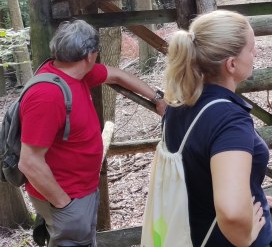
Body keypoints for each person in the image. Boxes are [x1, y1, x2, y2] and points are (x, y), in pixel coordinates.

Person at [18, 19, 165, 246]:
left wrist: (157, 99)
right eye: (97, 52)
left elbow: (117, 75)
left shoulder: (76, 73)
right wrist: (64, 205)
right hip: (67, 198)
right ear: (89, 55)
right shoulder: (47, 96)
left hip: (80, 190)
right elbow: (29, 163)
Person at [162, 10, 272, 247]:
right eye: (251, 47)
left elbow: (200, 175)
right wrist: (246, 236)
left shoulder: (178, 105)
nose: (255, 53)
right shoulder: (230, 120)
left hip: (191, 232)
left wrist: (254, 196)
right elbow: (232, 213)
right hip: (223, 240)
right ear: (231, 64)